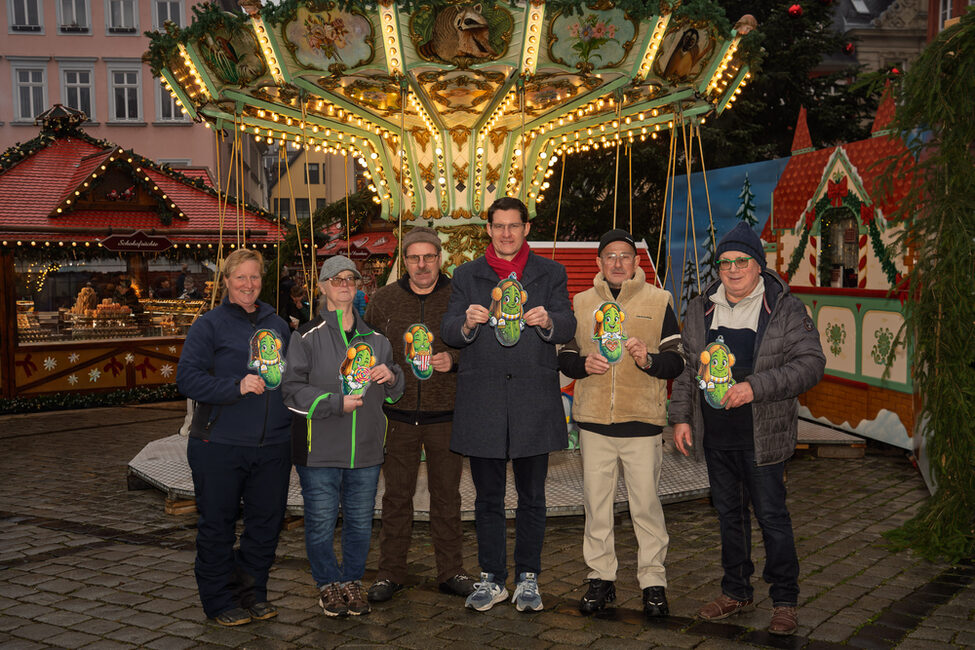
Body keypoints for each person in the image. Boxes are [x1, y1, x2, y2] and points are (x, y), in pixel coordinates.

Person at [669, 222, 826, 636]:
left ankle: (785, 600)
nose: (733, 270)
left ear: (759, 265)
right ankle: (736, 590)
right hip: (716, 435)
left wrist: (754, 388)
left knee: (772, 518)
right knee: (729, 517)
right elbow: (688, 368)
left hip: (762, 436)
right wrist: (682, 417)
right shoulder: (701, 309)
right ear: (717, 268)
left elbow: (811, 365)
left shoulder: (785, 309)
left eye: (741, 262)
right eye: (725, 263)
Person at [441, 196, 576, 612]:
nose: (505, 233)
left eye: (513, 226)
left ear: (526, 228)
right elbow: (448, 329)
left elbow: (568, 323)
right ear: (488, 230)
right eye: (498, 226)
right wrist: (465, 322)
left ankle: (528, 577)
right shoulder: (466, 275)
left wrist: (549, 322)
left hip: (533, 400)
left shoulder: (550, 272)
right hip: (483, 402)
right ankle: (492, 578)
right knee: (487, 499)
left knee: (533, 497)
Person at [558, 229, 684, 618]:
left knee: (645, 507)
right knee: (596, 506)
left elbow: (677, 359)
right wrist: (582, 365)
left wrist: (649, 360)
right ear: (599, 262)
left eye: (624, 256)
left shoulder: (659, 300)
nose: (617, 262)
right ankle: (601, 577)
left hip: (642, 422)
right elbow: (564, 355)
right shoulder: (580, 303)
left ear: (636, 262)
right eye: (609, 255)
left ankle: (653, 582)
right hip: (594, 423)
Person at [175, 249, 293, 626]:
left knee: (265, 525)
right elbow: (187, 378)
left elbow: (292, 378)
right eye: (239, 277)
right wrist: (235, 386)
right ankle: (218, 601)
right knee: (217, 526)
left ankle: (252, 593)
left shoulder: (279, 325)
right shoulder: (208, 325)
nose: (248, 285)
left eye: (254, 277)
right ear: (225, 281)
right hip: (219, 445)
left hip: (272, 445)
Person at [282, 255, 404, 617]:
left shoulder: (378, 340)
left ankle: (352, 581)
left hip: (366, 450)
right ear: (322, 287)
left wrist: (393, 376)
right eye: (336, 279)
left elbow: (395, 390)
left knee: (360, 523)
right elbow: (291, 390)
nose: (345, 284)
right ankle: (327, 584)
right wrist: (335, 403)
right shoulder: (304, 336)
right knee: (320, 522)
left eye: (351, 278)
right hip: (319, 449)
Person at [364, 226, 477, 604]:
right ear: (405, 261)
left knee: (447, 497)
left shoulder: (458, 298)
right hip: (397, 414)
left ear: (440, 258)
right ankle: (389, 572)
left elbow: (481, 348)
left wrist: (455, 359)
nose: (422, 264)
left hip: (446, 414)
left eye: (429, 256)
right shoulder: (383, 301)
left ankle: (452, 570)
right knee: (396, 497)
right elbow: (367, 350)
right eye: (414, 257)